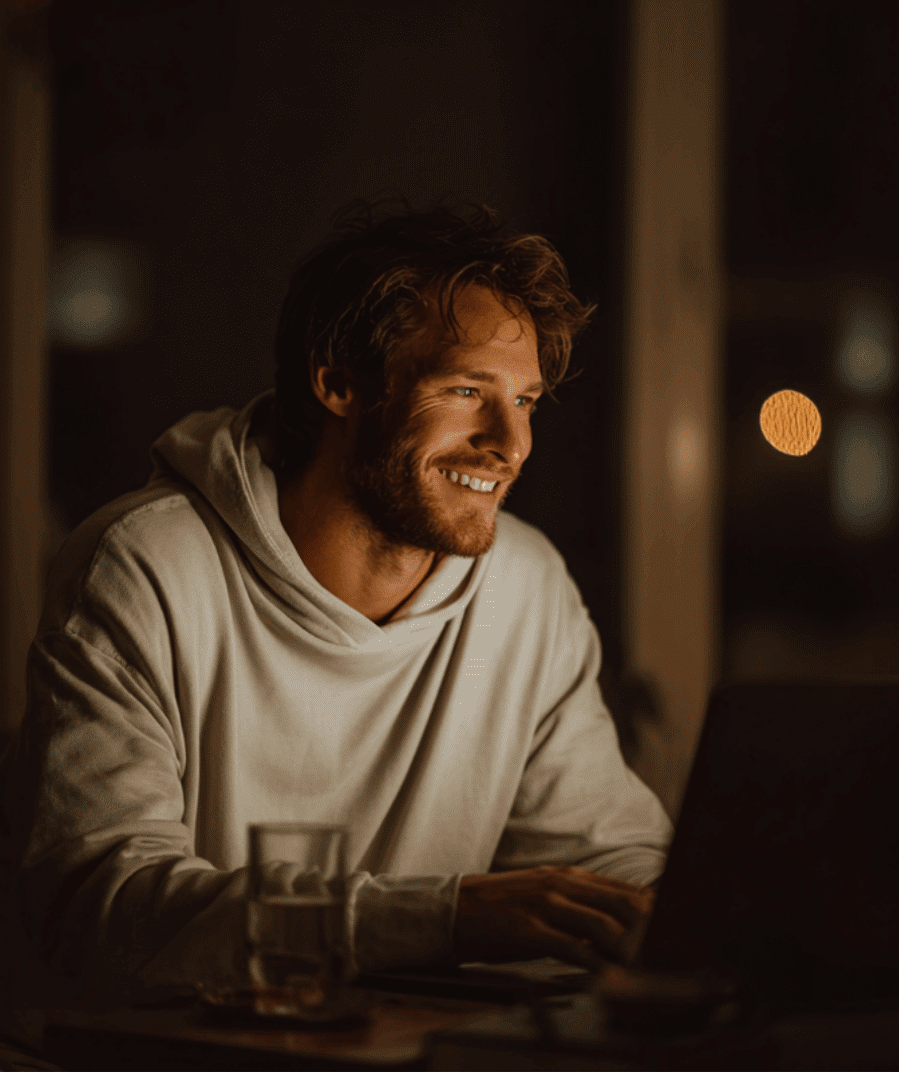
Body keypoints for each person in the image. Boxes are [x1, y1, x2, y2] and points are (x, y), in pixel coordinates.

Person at [0, 205, 671, 1027]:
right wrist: (446, 916)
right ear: (339, 383)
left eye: (526, 400)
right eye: (466, 390)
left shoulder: (525, 584)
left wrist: (696, 910)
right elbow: (103, 907)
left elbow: (606, 858)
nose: (510, 442)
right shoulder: (142, 566)